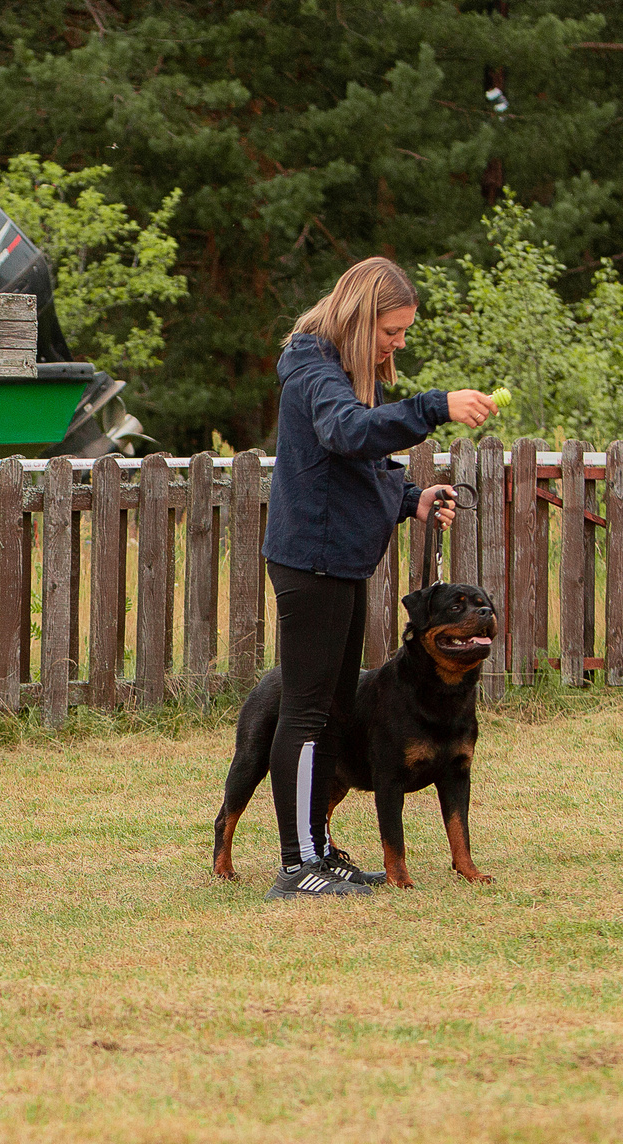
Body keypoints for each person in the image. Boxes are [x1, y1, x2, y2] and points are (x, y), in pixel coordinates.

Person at [259, 256, 495, 900]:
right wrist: (434, 406)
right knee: (306, 713)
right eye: (391, 331)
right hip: (311, 560)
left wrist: (410, 498)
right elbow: (346, 432)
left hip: (341, 559)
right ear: (362, 319)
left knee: (333, 709)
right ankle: (297, 862)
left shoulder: (342, 374)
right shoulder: (313, 368)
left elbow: (358, 461)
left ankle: (319, 849)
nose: (396, 344)